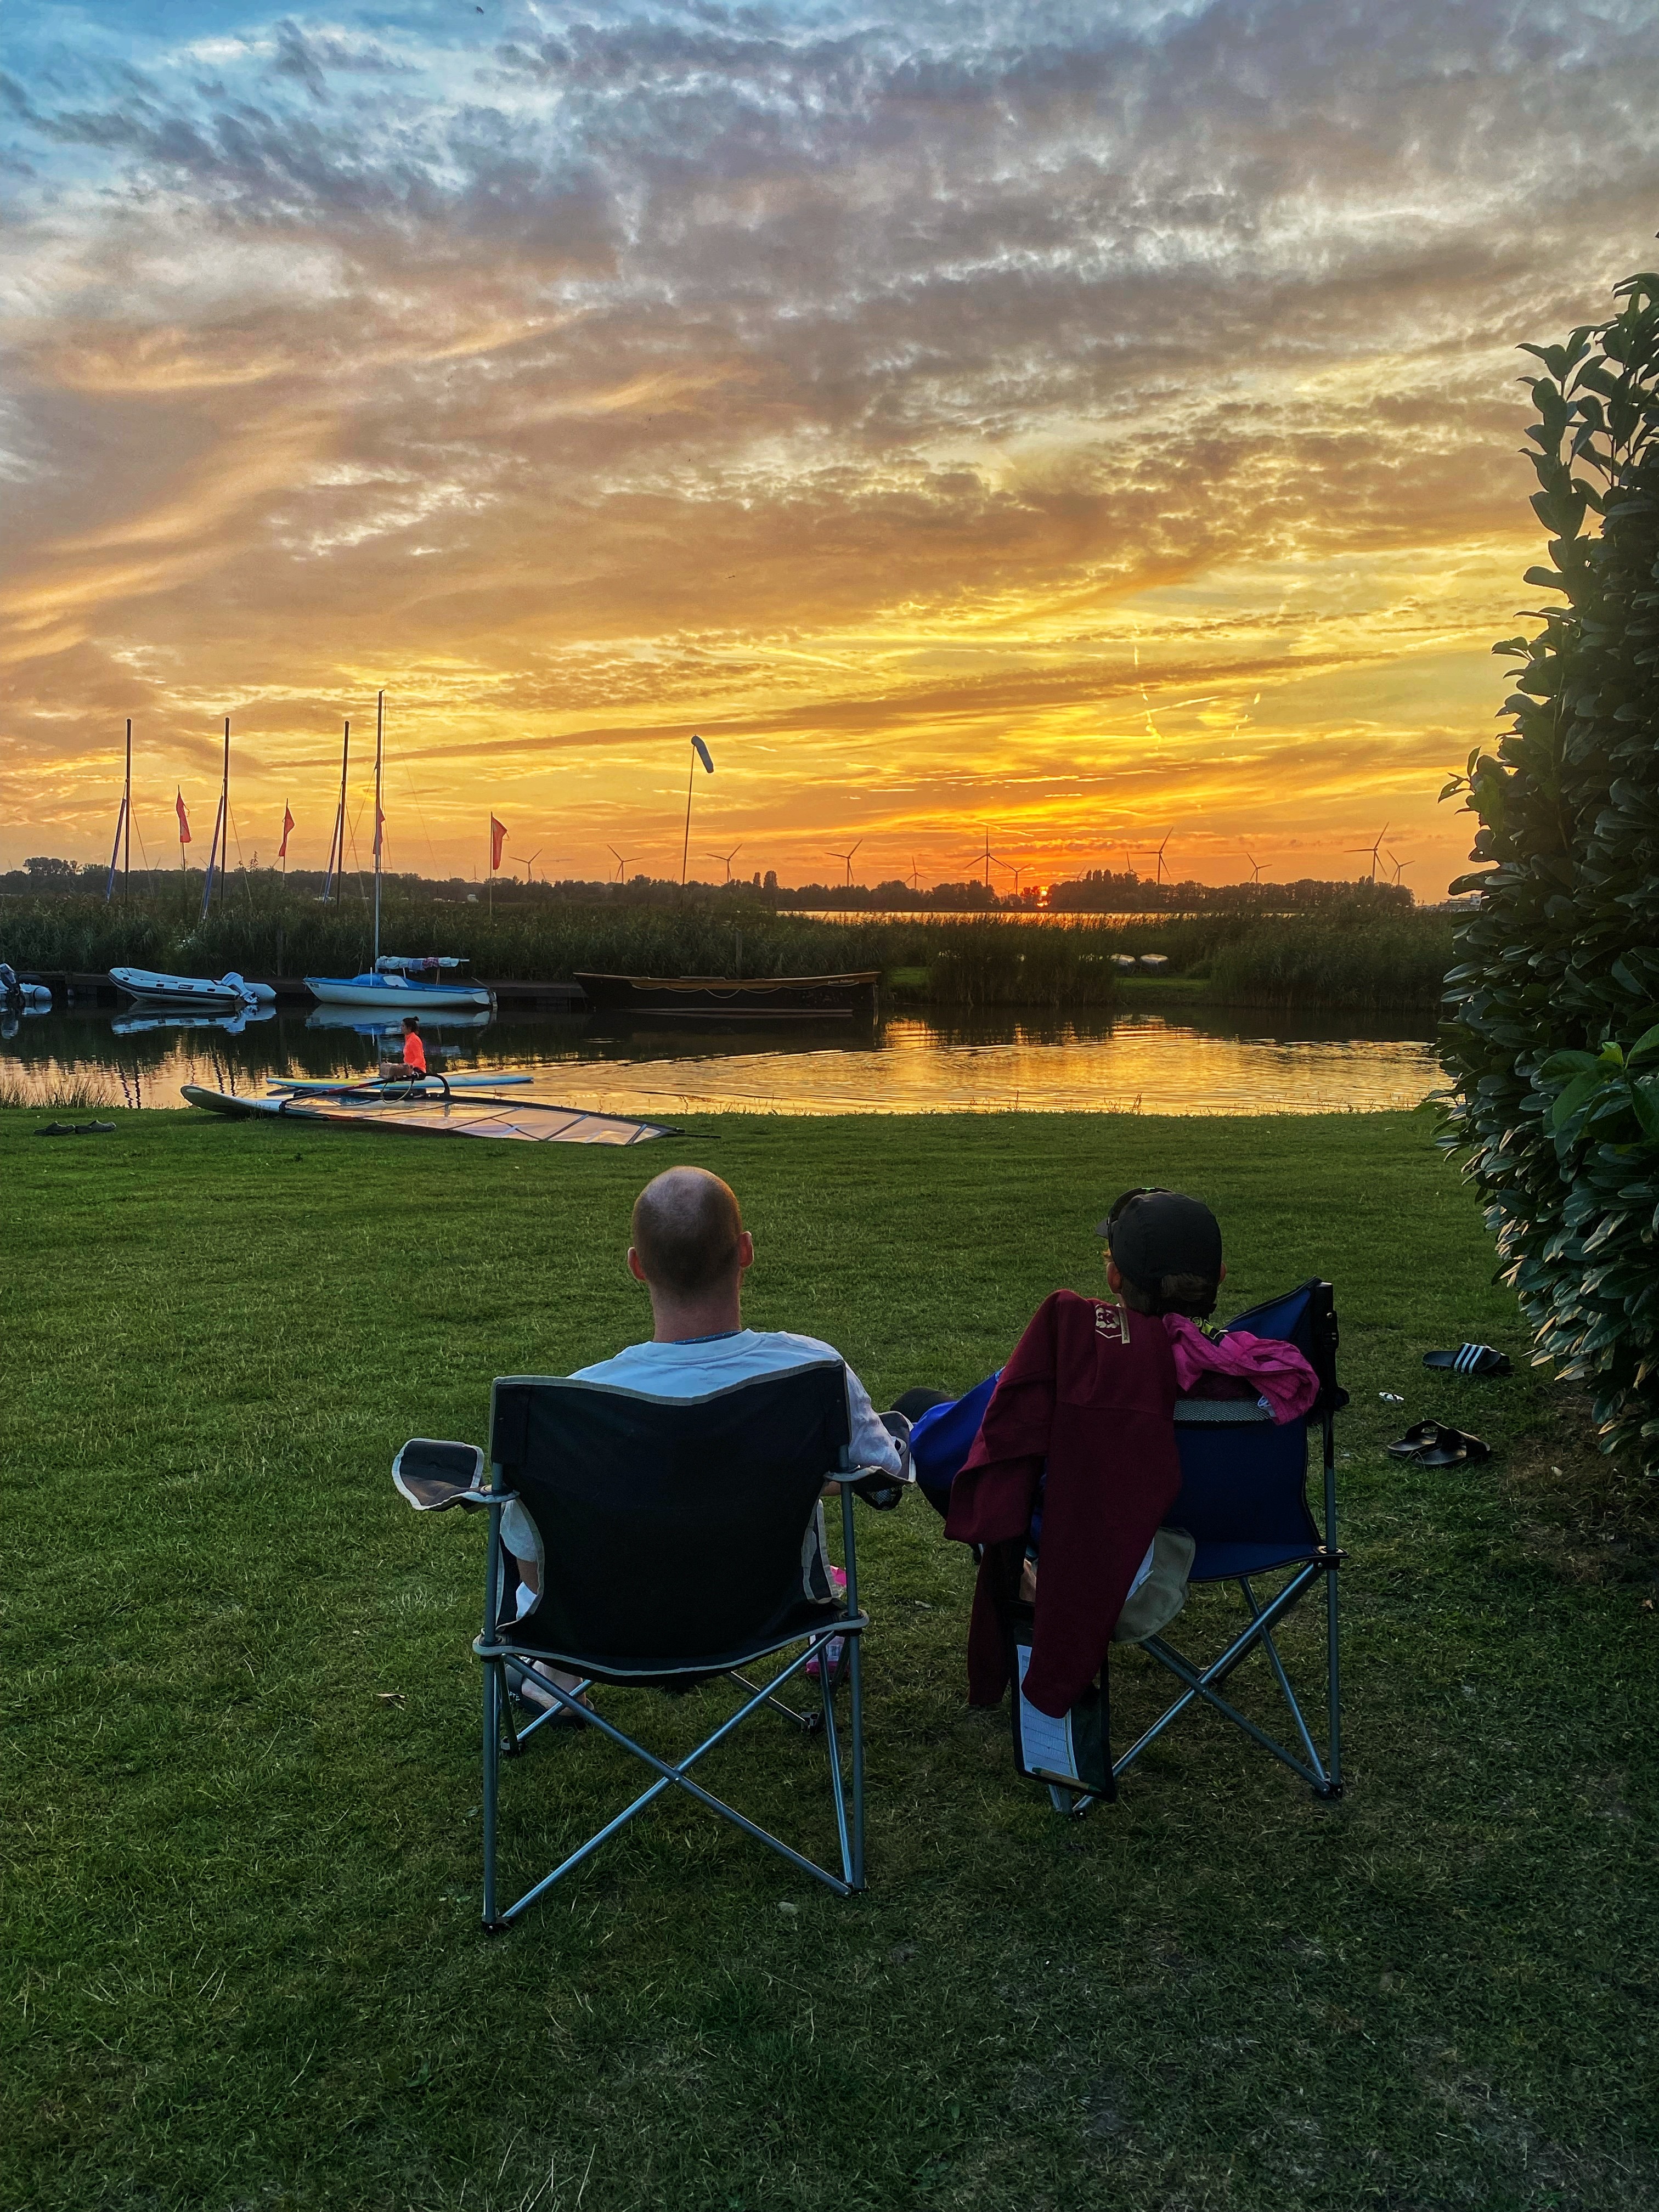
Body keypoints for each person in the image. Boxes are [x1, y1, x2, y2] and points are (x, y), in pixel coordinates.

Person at [504, 1166, 907, 1712]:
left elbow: (529, 1555)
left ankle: (552, 1672)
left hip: (606, 1631)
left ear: (637, 1267)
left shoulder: (573, 1407)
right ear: (745, 1251)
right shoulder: (813, 1372)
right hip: (767, 1619)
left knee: (523, 1522)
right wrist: (783, 1476)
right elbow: (881, 1474)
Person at [911, 1187, 1318, 1720]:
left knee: (928, 1414)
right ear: (1219, 1278)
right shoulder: (1268, 1370)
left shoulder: (1076, 1360)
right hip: (1242, 1534)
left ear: (1114, 1278)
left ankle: (1027, 1583)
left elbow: (945, 1455)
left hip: (1095, 1537)